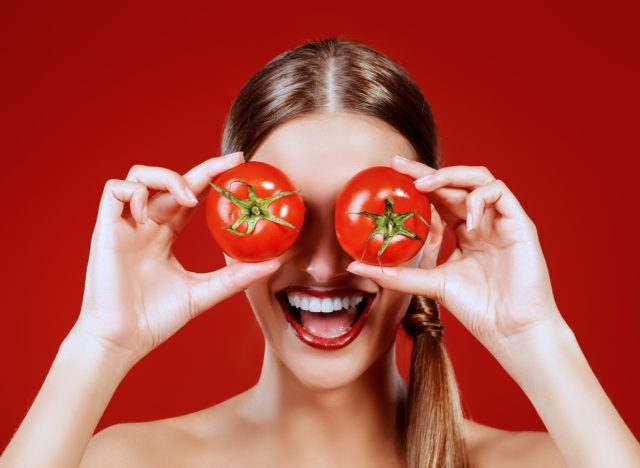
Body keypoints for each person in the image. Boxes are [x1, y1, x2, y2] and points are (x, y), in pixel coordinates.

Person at [1, 37, 638, 468]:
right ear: (226, 237)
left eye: (372, 219)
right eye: (286, 215)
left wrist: (535, 335)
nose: (326, 265)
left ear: (431, 237)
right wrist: (99, 343)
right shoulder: (132, 462)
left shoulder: (552, 463)